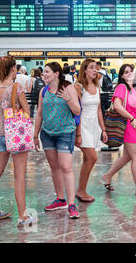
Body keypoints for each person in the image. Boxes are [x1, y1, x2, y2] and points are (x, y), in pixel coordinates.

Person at [0, 56, 34, 226]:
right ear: (13, 68)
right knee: (19, 176)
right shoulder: (16, 87)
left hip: (0, 135)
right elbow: (27, 110)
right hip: (15, 135)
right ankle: (23, 216)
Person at [33, 62, 81, 219]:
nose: (44, 74)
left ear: (56, 73)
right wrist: (35, 135)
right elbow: (39, 113)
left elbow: (77, 110)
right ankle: (61, 199)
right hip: (47, 134)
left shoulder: (68, 88)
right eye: (43, 72)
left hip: (65, 133)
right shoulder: (43, 91)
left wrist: (68, 99)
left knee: (66, 167)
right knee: (54, 167)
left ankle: (72, 204)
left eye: (47, 72)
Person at [101, 64, 136, 197]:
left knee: (127, 156)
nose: (129, 74)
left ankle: (107, 176)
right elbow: (117, 106)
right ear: (122, 76)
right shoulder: (121, 87)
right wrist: (131, 118)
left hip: (134, 125)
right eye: (126, 72)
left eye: (131, 71)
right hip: (127, 124)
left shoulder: (135, 90)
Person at [74, 59, 108, 203]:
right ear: (85, 70)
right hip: (83, 126)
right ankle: (81, 191)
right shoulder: (78, 86)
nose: (95, 70)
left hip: (94, 126)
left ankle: (81, 190)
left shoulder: (96, 86)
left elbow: (99, 110)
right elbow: (77, 111)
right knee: (92, 158)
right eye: (92, 68)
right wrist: (78, 133)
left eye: (96, 68)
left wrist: (104, 129)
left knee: (88, 159)